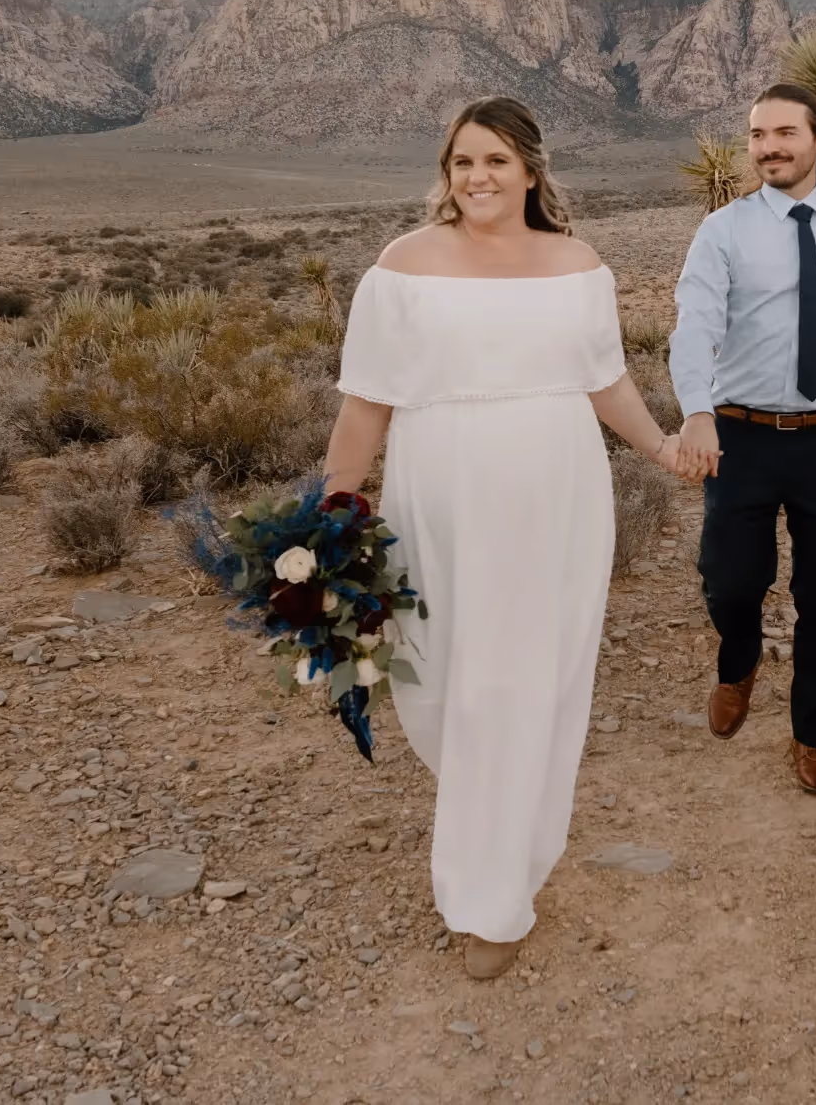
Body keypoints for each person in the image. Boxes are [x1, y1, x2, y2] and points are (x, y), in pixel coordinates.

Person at [320, 96, 682, 982]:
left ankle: (494, 895)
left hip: (555, 497)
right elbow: (365, 403)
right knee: (450, 682)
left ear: (530, 169)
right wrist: (333, 507)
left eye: (494, 161)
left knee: (523, 683)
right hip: (438, 495)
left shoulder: (577, 265)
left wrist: (665, 447)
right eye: (461, 162)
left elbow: (607, 383)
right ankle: (489, 839)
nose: (476, 177)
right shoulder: (401, 268)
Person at [668, 82, 816, 795]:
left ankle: (811, 733)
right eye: (757, 135)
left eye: (784, 133)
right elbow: (694, 326)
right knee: (730, 579)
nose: (768, 146)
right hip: (739, 437)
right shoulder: (725, 230)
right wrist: (696, 410)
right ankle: (739, 660)